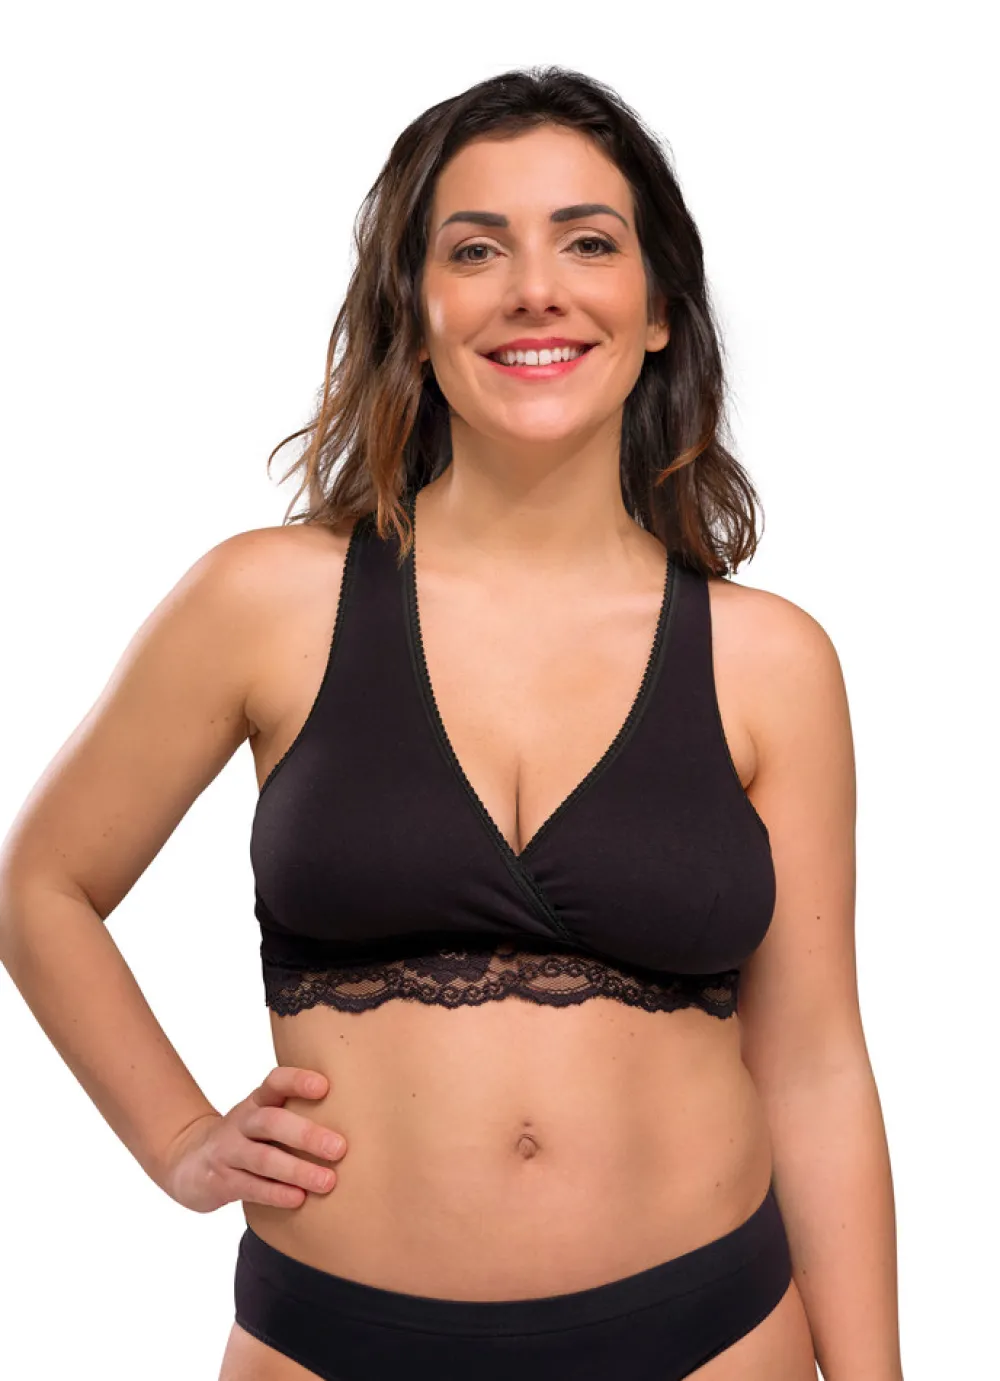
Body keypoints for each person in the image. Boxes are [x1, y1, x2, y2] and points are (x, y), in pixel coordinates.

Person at [0, 65, 903, 1381]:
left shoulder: (773, 662)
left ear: (659, 310)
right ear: (414, 317)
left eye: (588, 243)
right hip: (333, 1341)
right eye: (476, 250)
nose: (535, 289)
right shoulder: (265, 600)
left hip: (709, 1335)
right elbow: (41, 884)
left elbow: (816, 1064)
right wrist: (177, 1138)